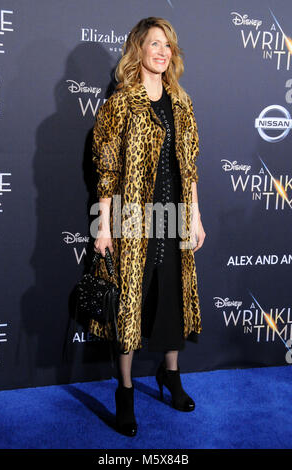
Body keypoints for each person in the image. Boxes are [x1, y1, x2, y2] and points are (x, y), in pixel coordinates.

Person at [91, 17, 206, 437]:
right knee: (129, 305)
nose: (162, 51)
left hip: (173, 218)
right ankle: (124, 391)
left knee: (173, 298)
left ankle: (170, 375)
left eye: (168, 45)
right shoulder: (120, 103)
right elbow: (106, 170)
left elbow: (190, 167)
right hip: (133, 221)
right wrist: (103, 227)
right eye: (154, 43)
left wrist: (194, 216)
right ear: (137, 49)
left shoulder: (182, 102)